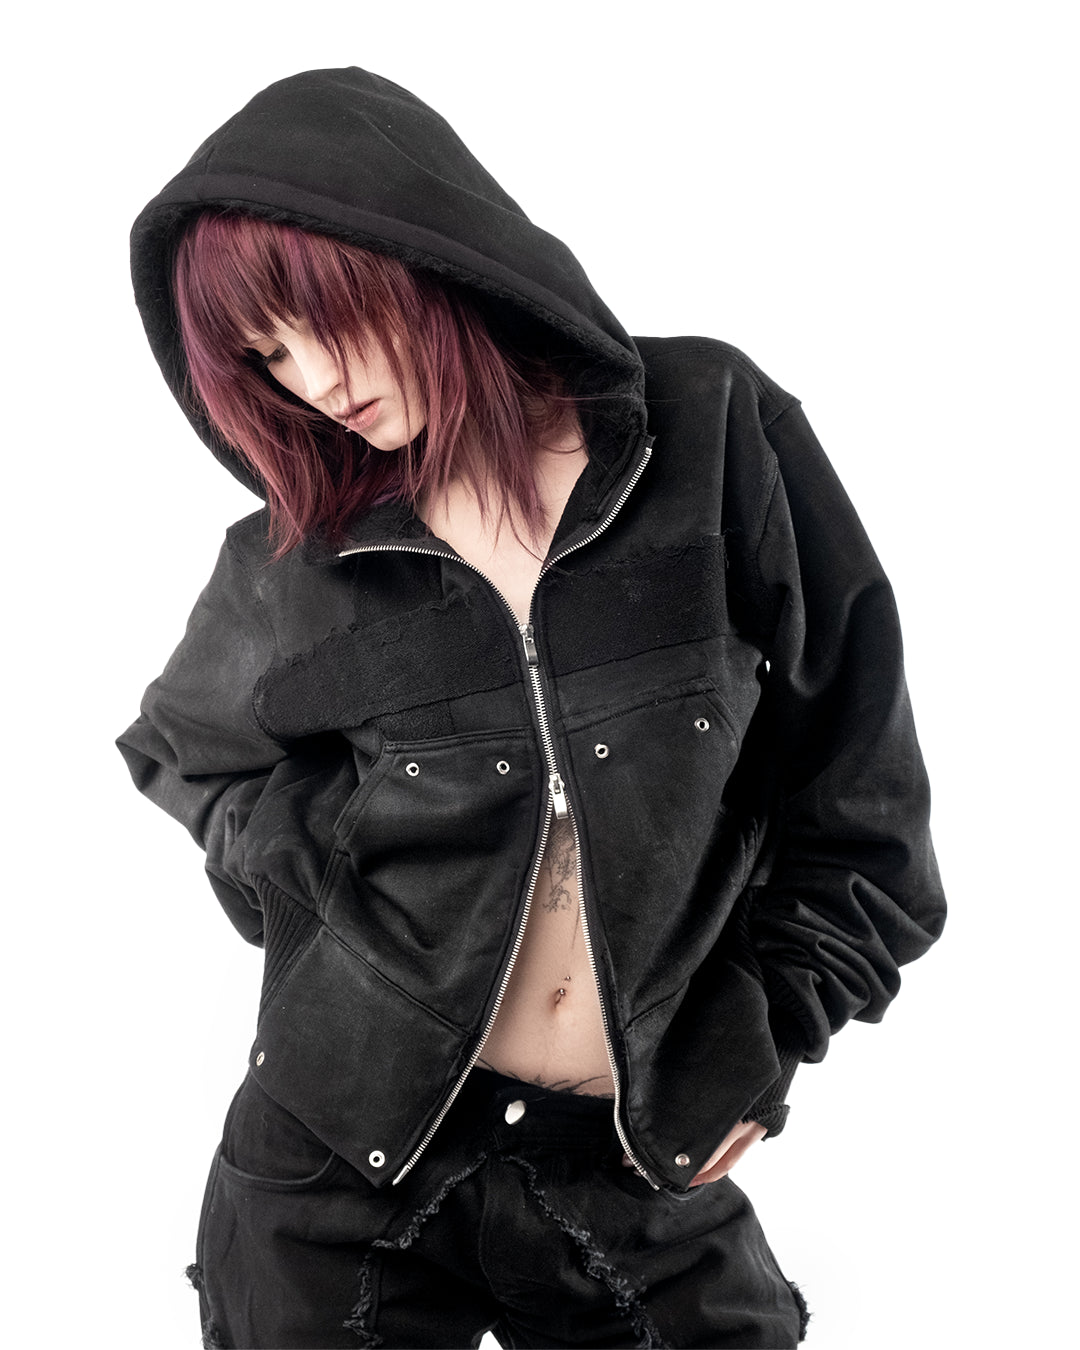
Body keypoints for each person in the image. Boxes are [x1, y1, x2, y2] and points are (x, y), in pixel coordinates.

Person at [117, 66, 946, 1350]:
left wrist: (773, 1027)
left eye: (320, 318)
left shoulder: (711, 435)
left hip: (628, 1153)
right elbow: (184, 752)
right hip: (334, 1160)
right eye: (267, 354)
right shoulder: (293, 560)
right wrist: (313, 893)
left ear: (418, 247)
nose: (313, 379)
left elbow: (857, 785)